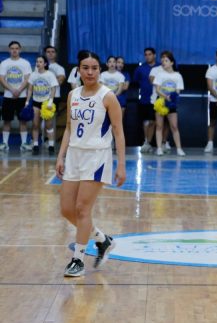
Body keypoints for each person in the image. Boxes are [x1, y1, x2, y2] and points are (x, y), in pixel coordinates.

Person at [55, 50, 125, 277]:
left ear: (100, 70)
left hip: (97, 157)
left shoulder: (108, 96)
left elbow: (118, 132)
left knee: (82, 209)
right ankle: (103, 240)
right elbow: (69, 128)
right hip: (74, 155)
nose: (90, 72)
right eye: (85, 68)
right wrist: (61, 155)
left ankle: (78, 260)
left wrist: (121, 165)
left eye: (94, 68)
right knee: (67, 210)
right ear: (79, 70)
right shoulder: (73, 95)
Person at [0, 41, 32, 151]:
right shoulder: (4, 63)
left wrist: (18, 90)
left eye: (16, 48)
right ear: (9, 50)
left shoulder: (25, 63)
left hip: (21, 96)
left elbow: (28, 79)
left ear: (20, 50)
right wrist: (12, 90)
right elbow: (1, 79)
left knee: (23, 121)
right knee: (6, 121)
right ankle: (5, 144)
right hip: (8, 96)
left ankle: (24, 143)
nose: (14, 50)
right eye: (12, 48)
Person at [153, 51, 185, 156]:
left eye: (166, 60)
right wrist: (165, 97)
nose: (163, 62)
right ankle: (159, 148)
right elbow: (157, 89)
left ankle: (179, 149)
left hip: (171, 103)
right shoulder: (159, 75)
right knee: (159, 126)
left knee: (174, 126)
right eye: (162, 61)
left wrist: (172, 97)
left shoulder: (178, 76)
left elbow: (178, 90)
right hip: (161, 102)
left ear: (171, 62)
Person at [26, 56, 58, 154]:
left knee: (48, 125)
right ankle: (35, 145)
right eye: (37, 61)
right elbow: (30, 89)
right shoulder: (33, 75)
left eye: (40, 62)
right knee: (35, 124)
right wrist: (27, 101)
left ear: (45, 64)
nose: (38, 63)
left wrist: (50, 101)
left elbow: (53, 89)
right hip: (36, 102)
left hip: (46, 102)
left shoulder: (50, 75)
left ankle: (51, 145)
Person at [134, 47, 158, 152]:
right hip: (144, 99)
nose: (148, 56)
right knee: (146, 122)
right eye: (146, 54)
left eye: (150, 54)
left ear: (154, 55)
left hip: (157, 99)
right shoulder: (140, 68)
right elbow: (136, 81)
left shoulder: (160, 67)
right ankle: (146, 142)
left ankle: (156, 142)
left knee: (153, 122)